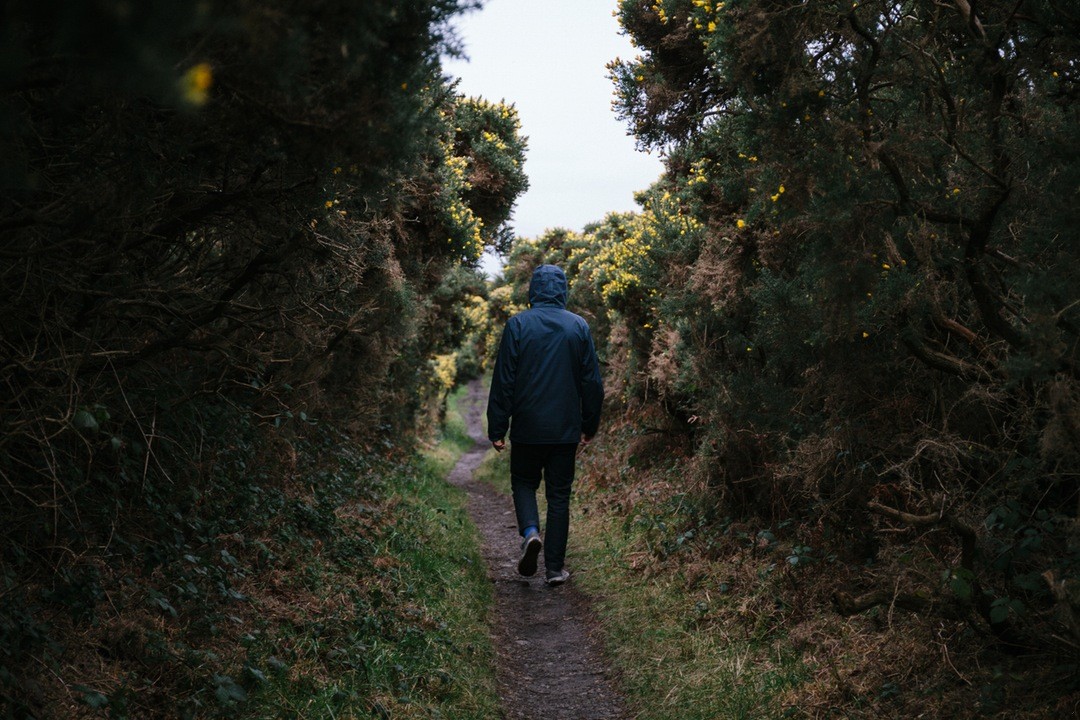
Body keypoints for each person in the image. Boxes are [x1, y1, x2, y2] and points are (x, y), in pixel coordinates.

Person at [487, 264, 604, 586]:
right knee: (559, 496)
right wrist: (589, 425)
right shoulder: (578, 326)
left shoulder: (517, 325)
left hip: (527, 427)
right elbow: (591, 382)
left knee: (524, 483)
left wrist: (497, 428)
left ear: (533, 290)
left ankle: (529, 533)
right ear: (563, 290)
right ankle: (554, 569)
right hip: (565, 430)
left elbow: (504, 380)